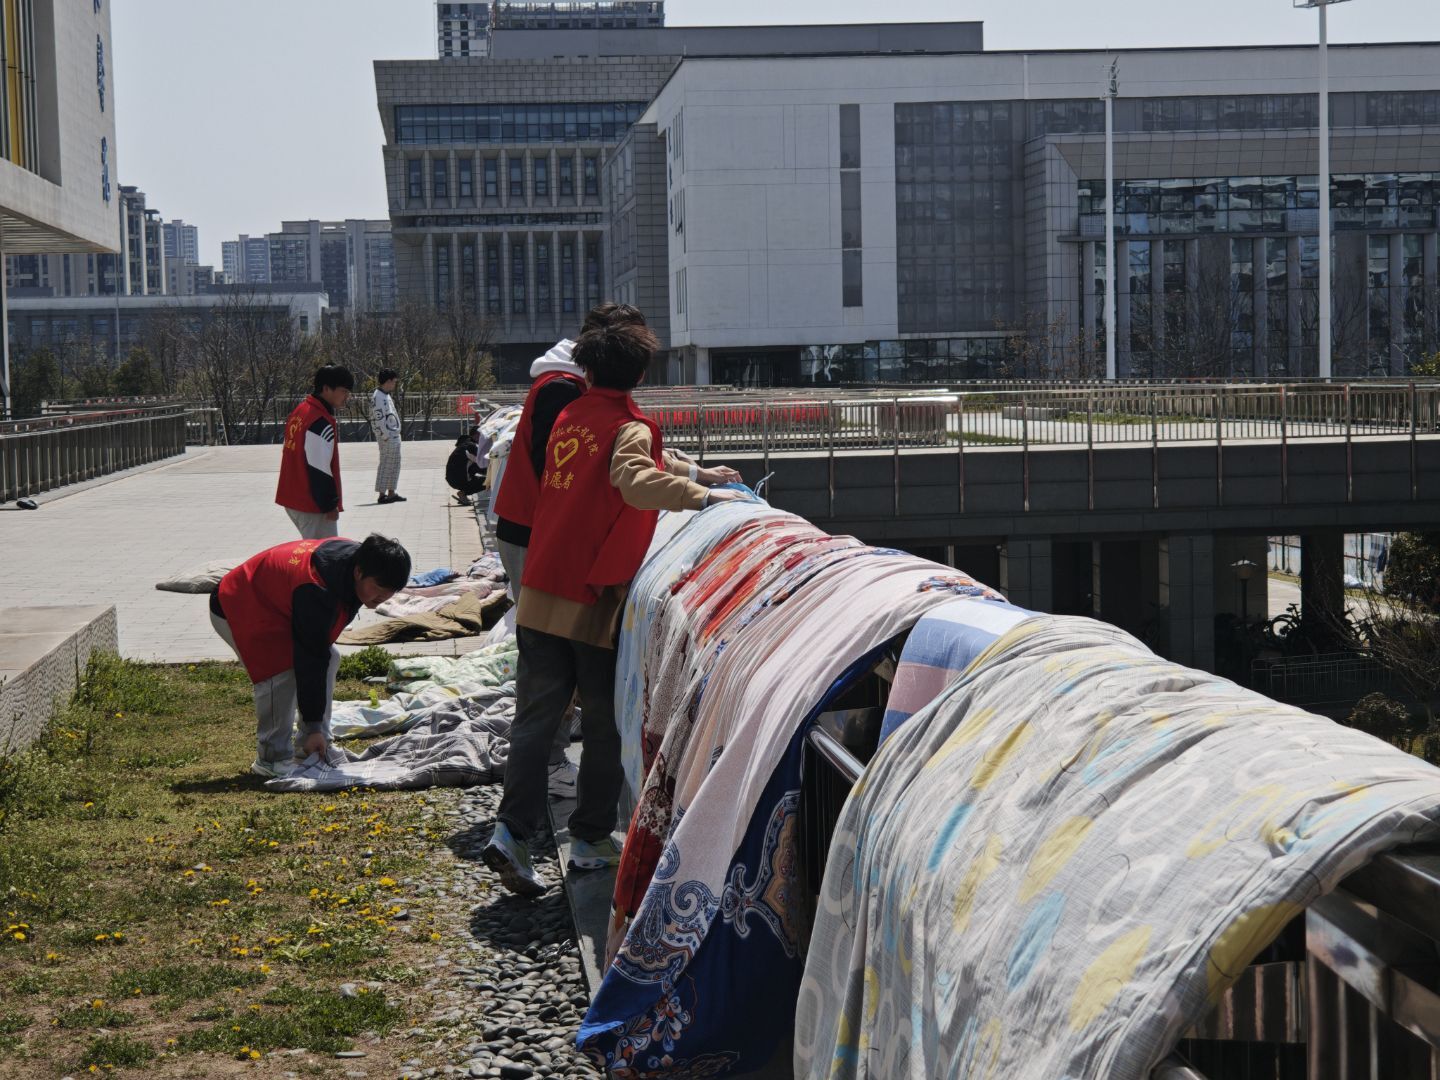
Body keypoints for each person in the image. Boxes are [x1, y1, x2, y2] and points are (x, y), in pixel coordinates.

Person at [483, 320, 743, 898]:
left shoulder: (570, 417)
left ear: (587, 369)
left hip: (540, 591)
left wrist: (690, 471)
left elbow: (626, 464)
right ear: (642, 373)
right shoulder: (630, 425)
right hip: (589, 599)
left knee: (534, 720)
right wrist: (704, 495)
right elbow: (633, 477)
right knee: (603, 724)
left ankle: (510, 832)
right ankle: (589, 839)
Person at [209, 534, 411, 779]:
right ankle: (271, 759)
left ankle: (313, 745)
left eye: (390, 592)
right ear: (359, 572)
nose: (383, 597)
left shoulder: (358, 563)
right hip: (240, 602)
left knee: (330, 658)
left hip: (277, 602)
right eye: (378, 588)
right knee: (280, 672)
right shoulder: (317, 588)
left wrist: (315, 729)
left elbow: (319, 651)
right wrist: (314, 723)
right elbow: (311, 656)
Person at [277, 365, 353, 539]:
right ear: (326, 389)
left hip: (293, 496)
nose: (346, 397)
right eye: (343, 391)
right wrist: (329, 505)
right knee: (324, 551)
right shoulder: (320, 421)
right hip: (311, 504)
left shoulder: (301, 410)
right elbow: (319, 467)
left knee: (311, 549)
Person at [369, 368, 405, 504]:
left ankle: (391, 492)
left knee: (395, 463)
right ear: (388, 381)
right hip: (387, 436)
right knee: (386, 463)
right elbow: (378, 419)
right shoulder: (377, 396)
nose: (395, 384)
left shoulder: (386, 395)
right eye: (394, 381)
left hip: (394, 434)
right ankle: (382, 494)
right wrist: (385, 436)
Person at [446, 427, 487, 504]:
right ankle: (463, 493)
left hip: (453, 477)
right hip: (457, 479)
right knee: (488, 481)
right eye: (483, 436)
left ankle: (463, 494)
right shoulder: (471, 446)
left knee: (481, 472)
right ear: (477, 435)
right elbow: (482, 462)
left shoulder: (465, 444)